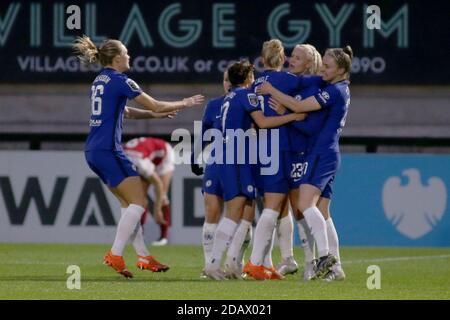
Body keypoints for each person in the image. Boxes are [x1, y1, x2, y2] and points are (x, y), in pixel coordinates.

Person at [73, 35, 204, 278]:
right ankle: (115, 253)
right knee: (139, 203)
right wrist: (184, 102)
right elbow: (154, 104)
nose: (129, 56)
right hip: (109, 150)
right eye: (126, 52)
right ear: (116, 58)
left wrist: (153, 117)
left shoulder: (99, 80)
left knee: (128, 205)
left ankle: (143, 255)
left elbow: (127, 112)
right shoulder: (122, 80)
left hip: (93, 150)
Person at [203, 60, 305, 280]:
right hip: (237, 158)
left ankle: (230, 264)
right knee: (235, 214)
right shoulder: (246, 95)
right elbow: (264, 122)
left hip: (223, 156)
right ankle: (214, 264)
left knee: (240, 212)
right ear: (248, 78)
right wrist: (293, 116)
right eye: (252, 77)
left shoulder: (226, 99)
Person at [257, 45, 353, 280]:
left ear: (341, 70)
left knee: (305, 204)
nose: (324, 70)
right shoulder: (334, 87)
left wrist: (274, 95)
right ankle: (336, 267)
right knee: (321, 211)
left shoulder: (332, 91)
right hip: (326, 152)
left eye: (328, 67)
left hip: (320, 153)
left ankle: (324, 259)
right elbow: (304, 115)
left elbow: (301, 110)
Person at [244, 39, 307, 280]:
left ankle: (280, 259)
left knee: (278, 207)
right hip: (284, 149)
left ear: (262, 59)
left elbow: (251, 120)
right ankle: (267, 261)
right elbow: (311, 91)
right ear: (282, 59)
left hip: (262, 150)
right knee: (284, 206)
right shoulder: (290, 80)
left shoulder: (255, 85)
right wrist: (294, 115)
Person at [123, 136, 175, 246]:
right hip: (146, 155)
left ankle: (163, 236)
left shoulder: (141, 164)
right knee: (139, 198)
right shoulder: (122, 158)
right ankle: (140, 234)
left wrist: (157, 210)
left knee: (162, 195)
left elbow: (158, 184)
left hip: (163, 156)